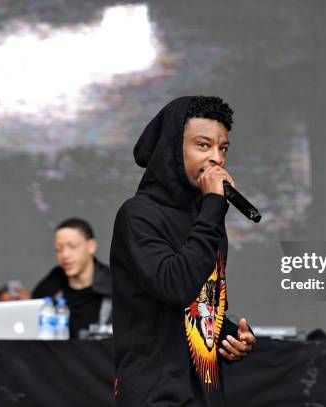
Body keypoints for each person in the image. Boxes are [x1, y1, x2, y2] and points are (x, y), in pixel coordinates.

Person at [110, 96, 256, 406]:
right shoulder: (138, 215)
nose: (217, 158)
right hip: (155, 394)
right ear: (173, 151)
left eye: (223, 148)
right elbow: (175, 286)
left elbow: (199, 304)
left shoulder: (207, 217)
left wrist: (229, 336)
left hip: (204, 394)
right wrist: (213, 209)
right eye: (203, 145)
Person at [32, 218, 112, 339]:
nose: (64, 255)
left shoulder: (115, 287)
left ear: (91, 246)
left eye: (72, 246)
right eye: (58, 250)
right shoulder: (49, 287)